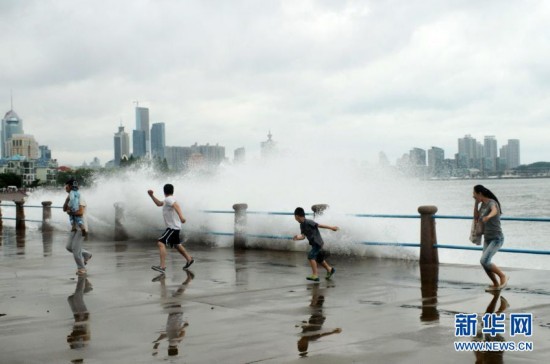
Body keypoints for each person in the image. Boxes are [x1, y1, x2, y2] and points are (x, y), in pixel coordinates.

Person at [148, 184, 194, 274]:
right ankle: (189, 259)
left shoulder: (169, 199)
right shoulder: (167, 199)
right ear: (172, 190)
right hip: (174, 227)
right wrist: (152, 196)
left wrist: (181, 217)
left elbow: (176, 206)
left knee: (161, 243)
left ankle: (162, 266)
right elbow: (159, 204)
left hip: (172, 227)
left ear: (164, 191)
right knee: (176, 244)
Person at [473, 185, 508, 291]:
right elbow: (476, 218)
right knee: (484, 263)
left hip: (497, 238)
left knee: (484, 260)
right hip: (487, 238)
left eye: (474, 193)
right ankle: (496, 284)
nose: (472, 195)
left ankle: (503, 276)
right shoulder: (482, 205)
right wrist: (476, 203)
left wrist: (488, 216)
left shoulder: (491, 202)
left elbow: (495, 210)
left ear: (479, 193)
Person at [293, 207, 339, 282]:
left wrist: (331, 227)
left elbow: (319, 225)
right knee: (319, 258)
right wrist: (298, 237)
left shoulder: (309, 222)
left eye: (295, 217)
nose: (295, 219)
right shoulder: (301, 225)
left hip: (318, 242)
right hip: (314, 244)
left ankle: (315, 275)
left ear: (297, 216)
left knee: (311, 256)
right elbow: (303, 236)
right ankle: (330, 270)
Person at [64, 179, 91, 276]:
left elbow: (80, 212)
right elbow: (64, 209)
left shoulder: (80, 197)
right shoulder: (70, 198)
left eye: (66, 186)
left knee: (75, 250)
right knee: (68, 247)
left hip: (81, 227)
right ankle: (86, 254)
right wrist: (67, 200)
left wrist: (70, 212)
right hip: (74, 227)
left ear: (71, 186)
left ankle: (82, 269)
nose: (65, 188)